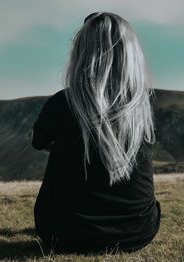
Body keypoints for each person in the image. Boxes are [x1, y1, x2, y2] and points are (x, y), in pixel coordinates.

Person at [31, 11, 161, 254]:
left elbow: (39, 142)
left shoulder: (63, 103)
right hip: (137, 231)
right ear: (131, 54)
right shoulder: (143, 107)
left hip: (62, 234)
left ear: (81, 53)